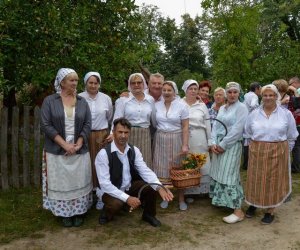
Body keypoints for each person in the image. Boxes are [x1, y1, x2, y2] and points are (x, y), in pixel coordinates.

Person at [95, 118, 173, 227]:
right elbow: (105, 185)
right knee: (116, 204)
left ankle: (148, 215)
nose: (123, 135)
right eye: (120, 132)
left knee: (151, 187)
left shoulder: (134, 150)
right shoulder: (103, 154)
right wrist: (127, 198)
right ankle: (106, 213)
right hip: (108, 191)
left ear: (129, 133)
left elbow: (145, 170)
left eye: (126, 132)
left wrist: (159, 186)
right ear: (113, 132)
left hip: (128, 186)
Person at [41, 68, 93, 227]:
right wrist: (64, 144)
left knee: (78, 180)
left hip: (79, 148)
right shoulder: (50, 101)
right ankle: (64, 213)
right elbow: (45, 124)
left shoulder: (82, 101)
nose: (75, 83)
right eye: (72, 80)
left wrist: (79, 142)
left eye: (76, 80)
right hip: (57, 149)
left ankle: (79, 211)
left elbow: (87, 124)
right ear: (62, 82)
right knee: (62, 182)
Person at [244, 84, 298, 224]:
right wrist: (253, 147)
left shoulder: (286, 114)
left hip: (278, 150)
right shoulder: (254, 114)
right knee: (256, 179)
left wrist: (286, 150)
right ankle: (254, 203)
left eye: (271, 95)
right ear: (262, 97)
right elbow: (248, 133)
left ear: (276, 96)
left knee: (273, 181)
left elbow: (292, 135)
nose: (268, 98)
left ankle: (270, 210)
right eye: (265, 95)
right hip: (257, 150)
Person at [210, 82, 248, 224]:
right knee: (220, 173)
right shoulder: (223, 108)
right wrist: (213, 143)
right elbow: (216, 126)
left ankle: (238, 211)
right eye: (230, 92)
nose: (232, 94)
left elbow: (237, 130)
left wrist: (223, 145)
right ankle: (224, 201)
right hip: (218, 144)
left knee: (229, 175)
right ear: (226, 93)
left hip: (231, 146)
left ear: (239, 93)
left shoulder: (242, 108)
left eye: (235, 92)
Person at [152, 81, 189, 210]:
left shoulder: (182, 106)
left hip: (176, 138)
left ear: (175, 91)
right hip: (161, 139)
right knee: (162, 169)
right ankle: (166, 196)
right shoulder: (156, 105)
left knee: (178, 168)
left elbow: (185, 126)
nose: (166, 92)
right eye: (164, 90)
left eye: (169, 90)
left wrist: (185, 144)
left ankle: (181, 199)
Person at [79, 71, 113, 209]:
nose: (93, 85)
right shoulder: (79, 97)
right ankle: (87, 194)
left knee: (101, 164)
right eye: (90, 82)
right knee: (85, 165)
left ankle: (101, 194)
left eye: (96, 82)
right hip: (83, 136)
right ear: (85, 83)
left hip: (101, 136)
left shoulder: (106, 98)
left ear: (99, 84)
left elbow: (109, 117)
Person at [112, 73, 155, 168]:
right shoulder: (124, 99)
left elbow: (154, 119)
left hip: (145, 135)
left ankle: (144, 183)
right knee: (127, 160)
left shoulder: (150, 100)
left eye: (139, 82)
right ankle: (127, 182)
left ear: (143, 84)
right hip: (127, 134)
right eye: (133, 83)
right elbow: (117, 118)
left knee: (144, 161)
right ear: (129, 85)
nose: (136, 85)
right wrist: (112, 134)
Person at [181, 80, 212, 197]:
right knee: (188, 163)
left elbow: (208, 124)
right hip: (185, 138)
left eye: (195, 89)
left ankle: (202, 190)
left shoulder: (202, 105)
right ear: (185, 89)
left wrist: (210, 141)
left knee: (202, 161)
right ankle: (189, 192)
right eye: (191, 88)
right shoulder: (179, 103)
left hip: (200, 137)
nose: (193, 91)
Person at [242, 82, 261, 170]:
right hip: (251, 119)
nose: (260, 91)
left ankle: (245, 163)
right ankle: (248, 163)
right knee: (250, 140)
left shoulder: (246, 95)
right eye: (259, 89)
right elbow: (254, 105)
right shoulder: (254, 96)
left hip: (244, 119)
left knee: (246, 141)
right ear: (256, 88)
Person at [288, 76, 300, 173]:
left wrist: (295, 91)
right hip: (297, 122)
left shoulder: (298, 91)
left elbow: (297, 105)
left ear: (296, 83)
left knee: (296, 146)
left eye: (290, 84)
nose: (289, 87)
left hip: (298, 122)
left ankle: (295, 167)